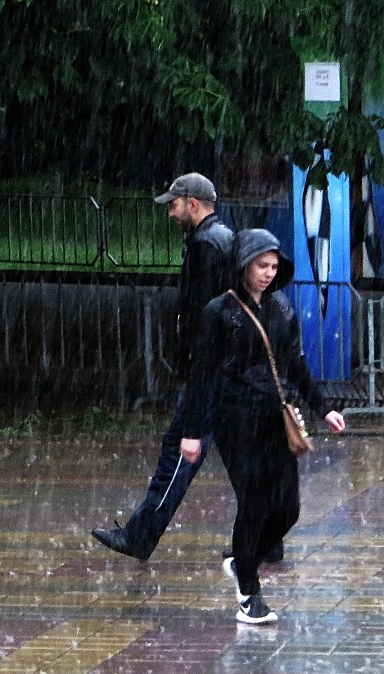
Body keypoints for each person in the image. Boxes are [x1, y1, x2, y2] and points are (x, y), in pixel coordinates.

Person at [181, 228, 346, 624]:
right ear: (243, 266)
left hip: (275, 418)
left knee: (287, 507)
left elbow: (296, 365)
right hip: (235, 420)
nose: (269, 273)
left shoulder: (282, 309)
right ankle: (249, 594)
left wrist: (323, 409)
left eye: (274, 266)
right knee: (253, 503)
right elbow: (201, 374)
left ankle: (243, 559)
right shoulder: (218, 312)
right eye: (262, 265)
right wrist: (191, 431)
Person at [91, 172, 241, 561]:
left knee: (178, 452)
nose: (170, 213)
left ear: (193, 203)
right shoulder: (224, 238)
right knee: (242, 457)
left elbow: (204, 316)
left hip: (208, 371)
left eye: (173, 205)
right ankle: (267, 534)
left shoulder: (207, 245)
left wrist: (195, 365)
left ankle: (141, 536)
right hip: (226, 368)